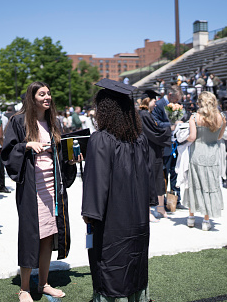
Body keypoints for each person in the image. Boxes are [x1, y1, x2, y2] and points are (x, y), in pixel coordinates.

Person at [2, 82, 78, 301]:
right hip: (31, 189)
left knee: (48, 235)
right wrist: (26, 146)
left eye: (48, 93)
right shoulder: (19, 121)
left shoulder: (54, 122)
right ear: (32, 97)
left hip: (52, 189)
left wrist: (72, 160)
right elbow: (7, 152)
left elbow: (62, 154)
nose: (47, 97)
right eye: (42, 94)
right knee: (29, 236)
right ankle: (24, 288)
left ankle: (43, 283)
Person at [82, 78, 153, 301]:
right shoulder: (140, 140)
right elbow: (148, 180)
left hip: (112, 221)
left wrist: (89, 215)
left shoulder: (101, 140)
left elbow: (97, 183)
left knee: (111, 266)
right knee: (135, 263)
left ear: (105, 110)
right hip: (138, 219)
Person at [184, 92, 226, 231]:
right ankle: (206, 221)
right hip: (213, 155)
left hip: (197, 154)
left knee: (195, 184)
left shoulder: (195, 117)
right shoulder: (220, 117)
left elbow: (192, 137)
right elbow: (219, 137)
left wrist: (182, 139)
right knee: (209, 186)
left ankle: (191, 218)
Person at [139, 90, 171, 220]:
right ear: (148, 101)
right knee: (149, 179)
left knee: (158, 177)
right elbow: (154, 132)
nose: (156, 103)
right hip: (148, 150)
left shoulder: (148, 114)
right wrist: (170, 128)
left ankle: (160, 207)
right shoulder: (144, 115)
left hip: (154, 150)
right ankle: (147, 211)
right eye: (154, 101)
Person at [152, 84, 183, 209]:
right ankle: (163, 201)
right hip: (164, 143)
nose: (176, 102)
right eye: (175, 100)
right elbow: (155, 123)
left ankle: (175, 200)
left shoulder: (176, 106)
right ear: (170, 95)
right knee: (164, 173)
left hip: (175, 143)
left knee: (175, 172)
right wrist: (170, 126)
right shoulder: (159, 105)